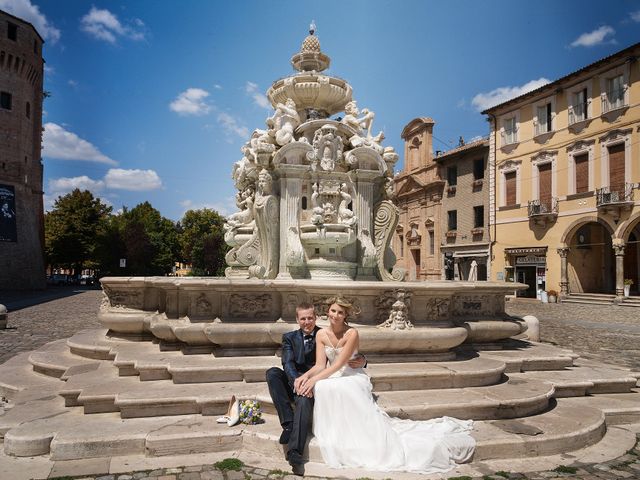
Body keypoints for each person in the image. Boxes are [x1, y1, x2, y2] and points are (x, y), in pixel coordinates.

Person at [296, 296, 476, 474]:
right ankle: (335, 433)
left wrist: (314, 380)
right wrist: (305, 377)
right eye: (333, 310)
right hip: (333, 374)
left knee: (335, 387)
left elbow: (339, 364)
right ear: (328, 311)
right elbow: (320, 365)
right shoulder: (321, 334)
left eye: (340, 312)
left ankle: (356, 434)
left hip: (351, 374)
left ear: (345, 315)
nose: (335, 315)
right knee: (324, 387)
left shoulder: (352, 333)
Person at [265, 302, 366, 475]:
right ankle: (288, 424)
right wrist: (298, 381)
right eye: (303, 318)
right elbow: (287, 363)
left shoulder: (323, 333)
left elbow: (337, 359)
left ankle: (295, 452)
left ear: (316, 317)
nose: (307, 322)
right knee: (273, 373)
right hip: (297, 379)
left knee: (303, 400)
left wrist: (362, 359)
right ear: (297, 319)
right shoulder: (289, 337)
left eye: (310, 318)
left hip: (316, 381)